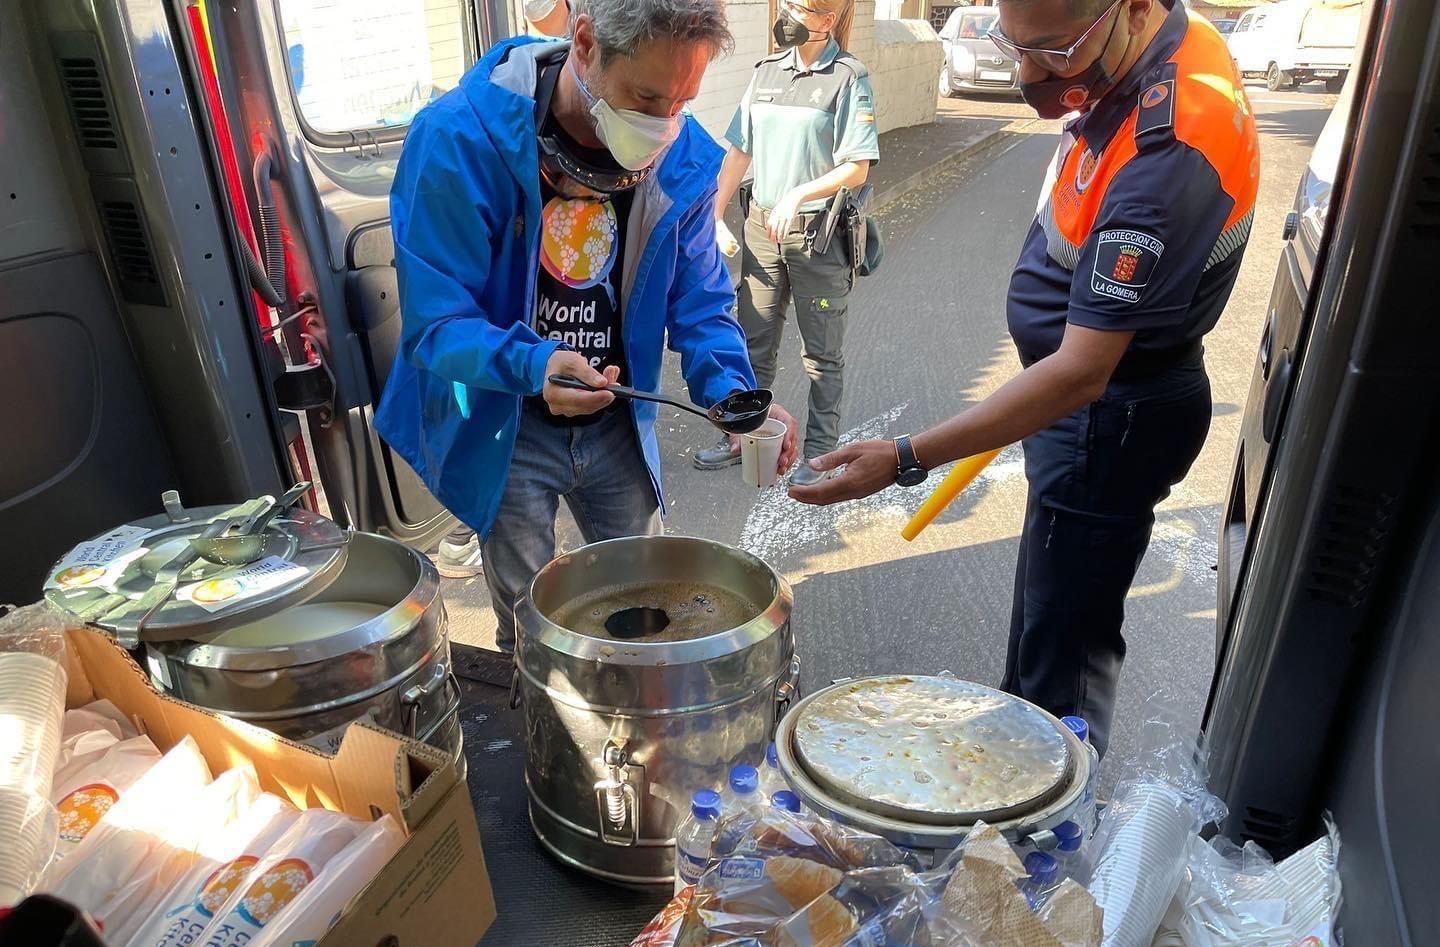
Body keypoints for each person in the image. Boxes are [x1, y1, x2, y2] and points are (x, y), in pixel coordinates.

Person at [790, 0, 1259, 756]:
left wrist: (905, 458)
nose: (1030, 74)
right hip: (1088, 405)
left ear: (1135, 10)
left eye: (1057, 50)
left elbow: (1080, 373)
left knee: (1061, 657)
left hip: (1106, 417)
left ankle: (1042, 835)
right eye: (1017, 45)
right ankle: (1026, 759)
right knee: (1052, 620)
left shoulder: (1169, 151)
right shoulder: (1156, 48)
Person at [376, 0, 798, 649]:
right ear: (584, 42)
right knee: (531, 622)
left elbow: (702, 303)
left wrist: (735, 396)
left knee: (642, 611)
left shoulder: (680, 156)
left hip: (620, 420)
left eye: (682, 100)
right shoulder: (461, 141)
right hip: (508, 425)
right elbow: (438, 324)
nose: (664, 126)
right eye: (646, 96)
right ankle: (543, 727)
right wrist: (534, 365)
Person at [692, 0, 879, 486]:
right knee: (752, 341)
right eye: (791, 3)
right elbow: (739, 149)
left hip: (818, 238)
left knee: (821, 355)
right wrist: (713, 214)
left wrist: (799, 193)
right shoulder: (767, 73)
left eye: (807, 8)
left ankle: (820, 455)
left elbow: (857, 165)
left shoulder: (847, 78)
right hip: (761, 230)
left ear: (830, 17)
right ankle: (743, 435)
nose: (793, 15)